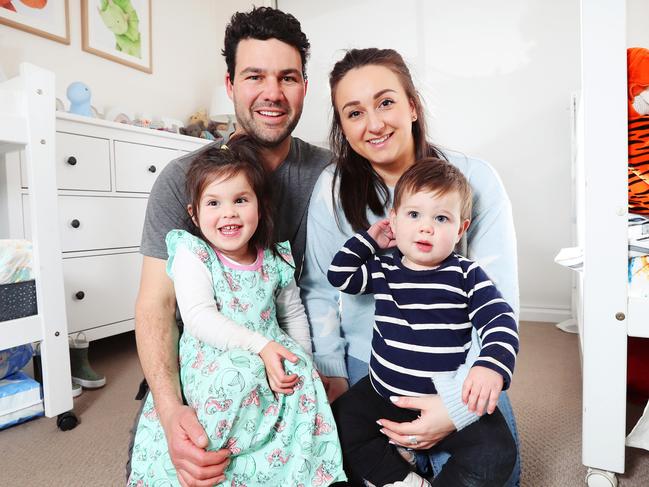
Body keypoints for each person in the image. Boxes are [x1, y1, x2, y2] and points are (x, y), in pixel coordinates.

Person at [128, 7, 331, 486]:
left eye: (288, 77)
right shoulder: (183, 181)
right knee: (177, 464)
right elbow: (156, 305)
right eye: (254, 76)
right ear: (230, 84)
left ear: (305, 85)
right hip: (210, 367)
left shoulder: (331, 174)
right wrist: (170, 408)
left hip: (290, 364)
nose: (272, 93)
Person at [299, 48, 522, 484]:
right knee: (332, 447)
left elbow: (500, 305)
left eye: (386, 102)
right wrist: (334, 372)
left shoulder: (475, 179)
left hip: (458, 364)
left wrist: (455, 406)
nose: (375, 124)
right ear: (342, 126)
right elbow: (324, 286)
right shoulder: (333, 188)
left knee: (500, 467)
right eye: (354, 112)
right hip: (375, 363)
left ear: (413, 106)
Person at [128, 138, 346, 486]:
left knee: (303, 375)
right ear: (194, 214)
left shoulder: (275, 259)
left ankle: (294, 470)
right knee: (239, 373)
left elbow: (292, 315)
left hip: (270, 347)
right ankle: (218, 460)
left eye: (240, 200)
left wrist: (303, 359)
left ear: (260, 207)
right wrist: (259, 346)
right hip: (218, 351)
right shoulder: (193, 254)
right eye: (214, 202)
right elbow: (198, 317)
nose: (228, 212)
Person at [328, 160, 518, 486]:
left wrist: (491, 365)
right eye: (414, 215)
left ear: (460, 229)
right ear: (395, 220)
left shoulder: (466, 275)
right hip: (384, 393)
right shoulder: (384, 269)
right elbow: (341, 276)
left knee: (498, 452)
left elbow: (500, 318)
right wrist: (371, 239)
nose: (426, 227)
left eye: (441, 218)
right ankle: (403, 478)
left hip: (448, 398)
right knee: (338, 422)